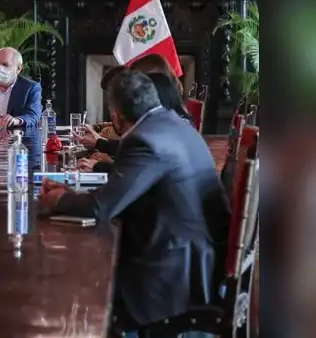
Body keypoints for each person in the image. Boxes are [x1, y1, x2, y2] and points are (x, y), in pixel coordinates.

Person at [39, 70, 229, 332]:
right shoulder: (171, 123)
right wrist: (71, 195)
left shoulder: (145, 140)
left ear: (116, 115)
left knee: (76, 276)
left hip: (171, 274)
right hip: (195, 258)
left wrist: (59, 200)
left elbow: (101, 207)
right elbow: (122, 191)